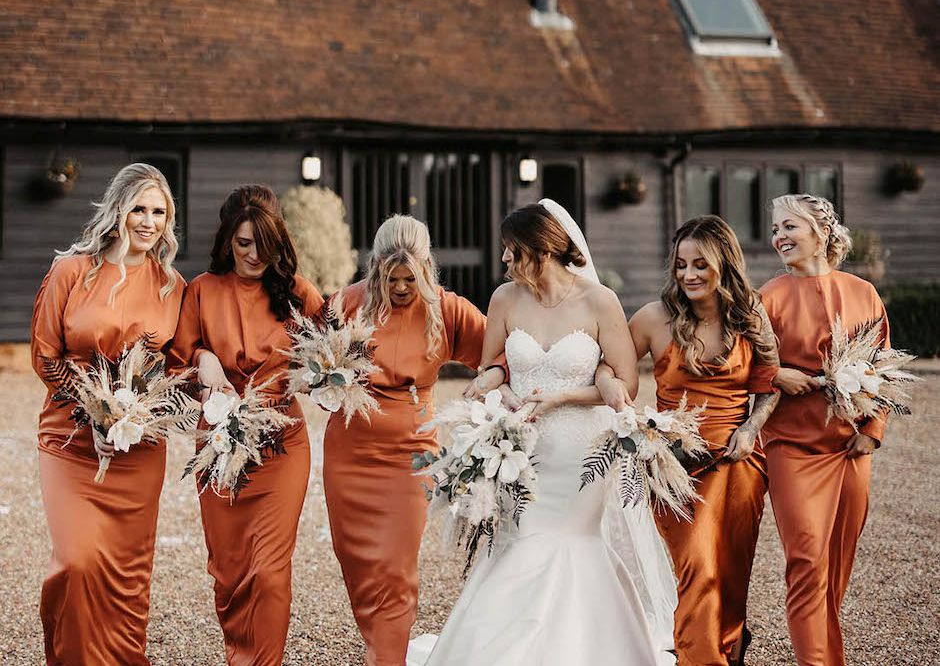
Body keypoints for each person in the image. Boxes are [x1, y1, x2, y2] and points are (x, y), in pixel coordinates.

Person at [410, 200, 676, 666]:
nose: (505, 260)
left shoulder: (599, 301)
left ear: (541, 249)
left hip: (583, 448)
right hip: (522, 446)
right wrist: (481, 387)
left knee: (575, 541)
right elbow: (495, 364)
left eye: (512, 251)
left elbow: (624, 381)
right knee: (524, 540)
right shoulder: (504, 299)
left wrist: (562, 399)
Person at [323, 214, 503, 666]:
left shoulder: (446, 309)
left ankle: (388, 658)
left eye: (411, 277)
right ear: (375, 269)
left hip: (411, 451)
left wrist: (490, 380)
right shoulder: (347, 304)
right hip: (349, 451)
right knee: (358, 564)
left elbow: (499, 351)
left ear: (426, 268)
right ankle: (378, 646)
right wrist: (323, 383)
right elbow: (308, 358)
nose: (402, 287)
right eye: (393, 278)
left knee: (395, 567)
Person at [31, 163, 185, 666]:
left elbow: (175, 367)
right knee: (76, 562)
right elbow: (44, 354)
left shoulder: (171, 285)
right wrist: (93, 413)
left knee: (126, 574)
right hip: (68, 441)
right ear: (118, 208)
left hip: (138, 450)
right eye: (139, 208)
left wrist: (139, 415)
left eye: (159, 211)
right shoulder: (71, 270)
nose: (148, 221)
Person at [170, 184, 323, 665]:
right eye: (243, 244)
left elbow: (334, 350)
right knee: (231, 571)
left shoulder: (297, 293)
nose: (254, 254)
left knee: (270, 571)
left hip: (282, 445)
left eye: (263, 243)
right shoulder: (200, 291)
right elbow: (176, 361)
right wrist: (203, 357)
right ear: (226, 242)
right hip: (217, 445)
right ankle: (240, 656)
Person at [622, 215, 779, 666]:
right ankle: (699, 658)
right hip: (675, 466)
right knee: (698, 569)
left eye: (700, 265)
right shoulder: (653, 318)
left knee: (731, 572)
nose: (689, 275)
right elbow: (611, 367)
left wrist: (751, 428)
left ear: (724, 266)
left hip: (739, 464)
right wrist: (630, 414)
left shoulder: (751, 314)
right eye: (681, 265)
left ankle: (729, 651)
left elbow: (768, 382)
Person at [761, 193, 890, 666]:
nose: (779, 237)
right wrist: (776, 375)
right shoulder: (767, 297)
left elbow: (884, 367)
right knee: (806, 561)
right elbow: (746, 367)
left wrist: (872, 430)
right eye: (776, 229)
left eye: (788, 227)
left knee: (836, 566)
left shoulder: (863, 293)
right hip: (791, 445)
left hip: (852, 448)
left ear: (821, 231)